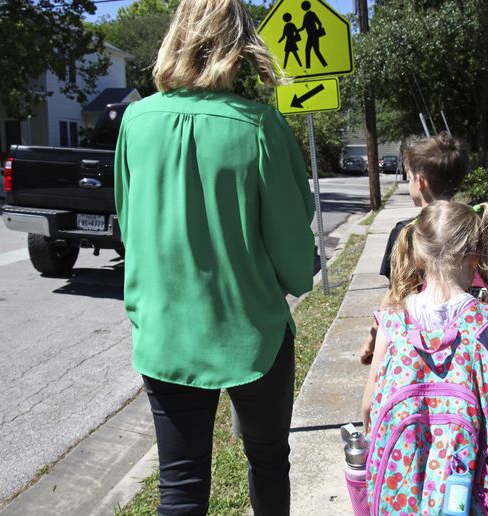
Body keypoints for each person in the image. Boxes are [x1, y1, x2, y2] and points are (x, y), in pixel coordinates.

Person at [113, 1, 315, 514]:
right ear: (239, 44)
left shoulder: (136, 121)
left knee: (179, 484)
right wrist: (295, 277)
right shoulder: (259, 125)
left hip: (166, 334)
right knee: (269, 460)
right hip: (253, 334)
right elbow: (293, 242)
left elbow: (130, 221)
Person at [360, 200, 488, 497]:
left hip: (403, 480)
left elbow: (371, 404)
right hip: (469, 480)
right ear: (476, 256)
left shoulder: (393, 321)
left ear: (418, 255)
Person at [358, 132, 469, 364]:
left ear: (420, 181)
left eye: (408, 178)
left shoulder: (407, 232)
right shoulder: (472, 225)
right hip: (465, 335)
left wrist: (372, 338)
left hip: (418, 341)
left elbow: (395, 294)